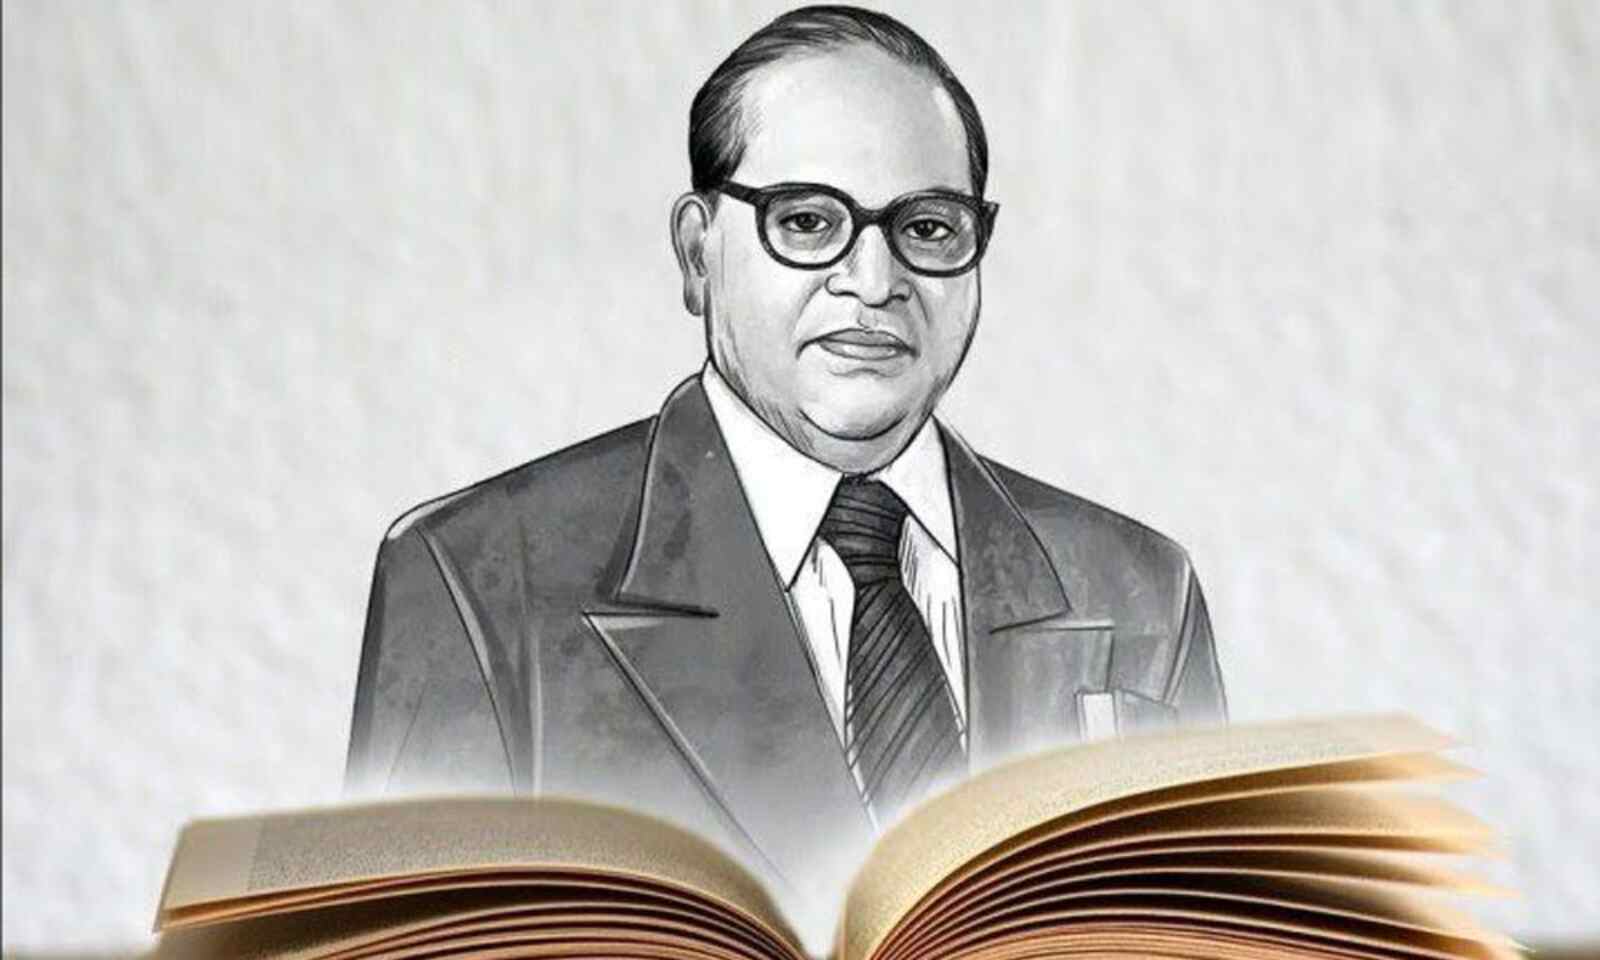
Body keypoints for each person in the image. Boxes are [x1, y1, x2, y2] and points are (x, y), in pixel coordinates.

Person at [346, 4, 1225, 935]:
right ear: (698, 251)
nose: (875, 280)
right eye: (807, 221)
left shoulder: (1139, 590)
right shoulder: (478, 582)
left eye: (929, 227)